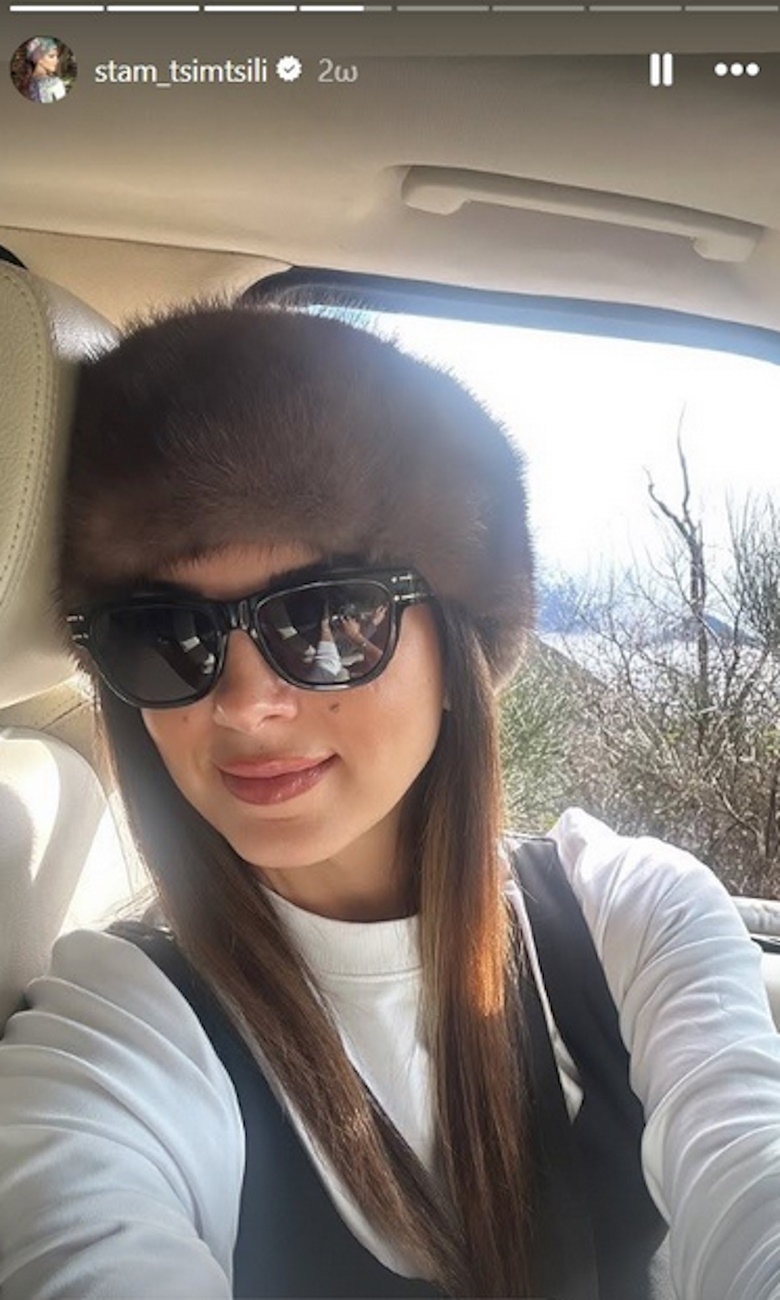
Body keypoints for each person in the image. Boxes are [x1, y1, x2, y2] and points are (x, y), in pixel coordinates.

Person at [0, 301, 779, 1300]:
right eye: (168, 636)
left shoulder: (632, 918)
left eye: (327, 620)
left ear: (458, 655)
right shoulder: (119, 1026)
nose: (243, 704)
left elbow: (749, 1167)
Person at [22, 36, 67, 103]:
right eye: (51, 56)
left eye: (57, 56)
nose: (57, 61)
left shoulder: (26, 83)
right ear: (39, 59)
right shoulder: (54, 83)